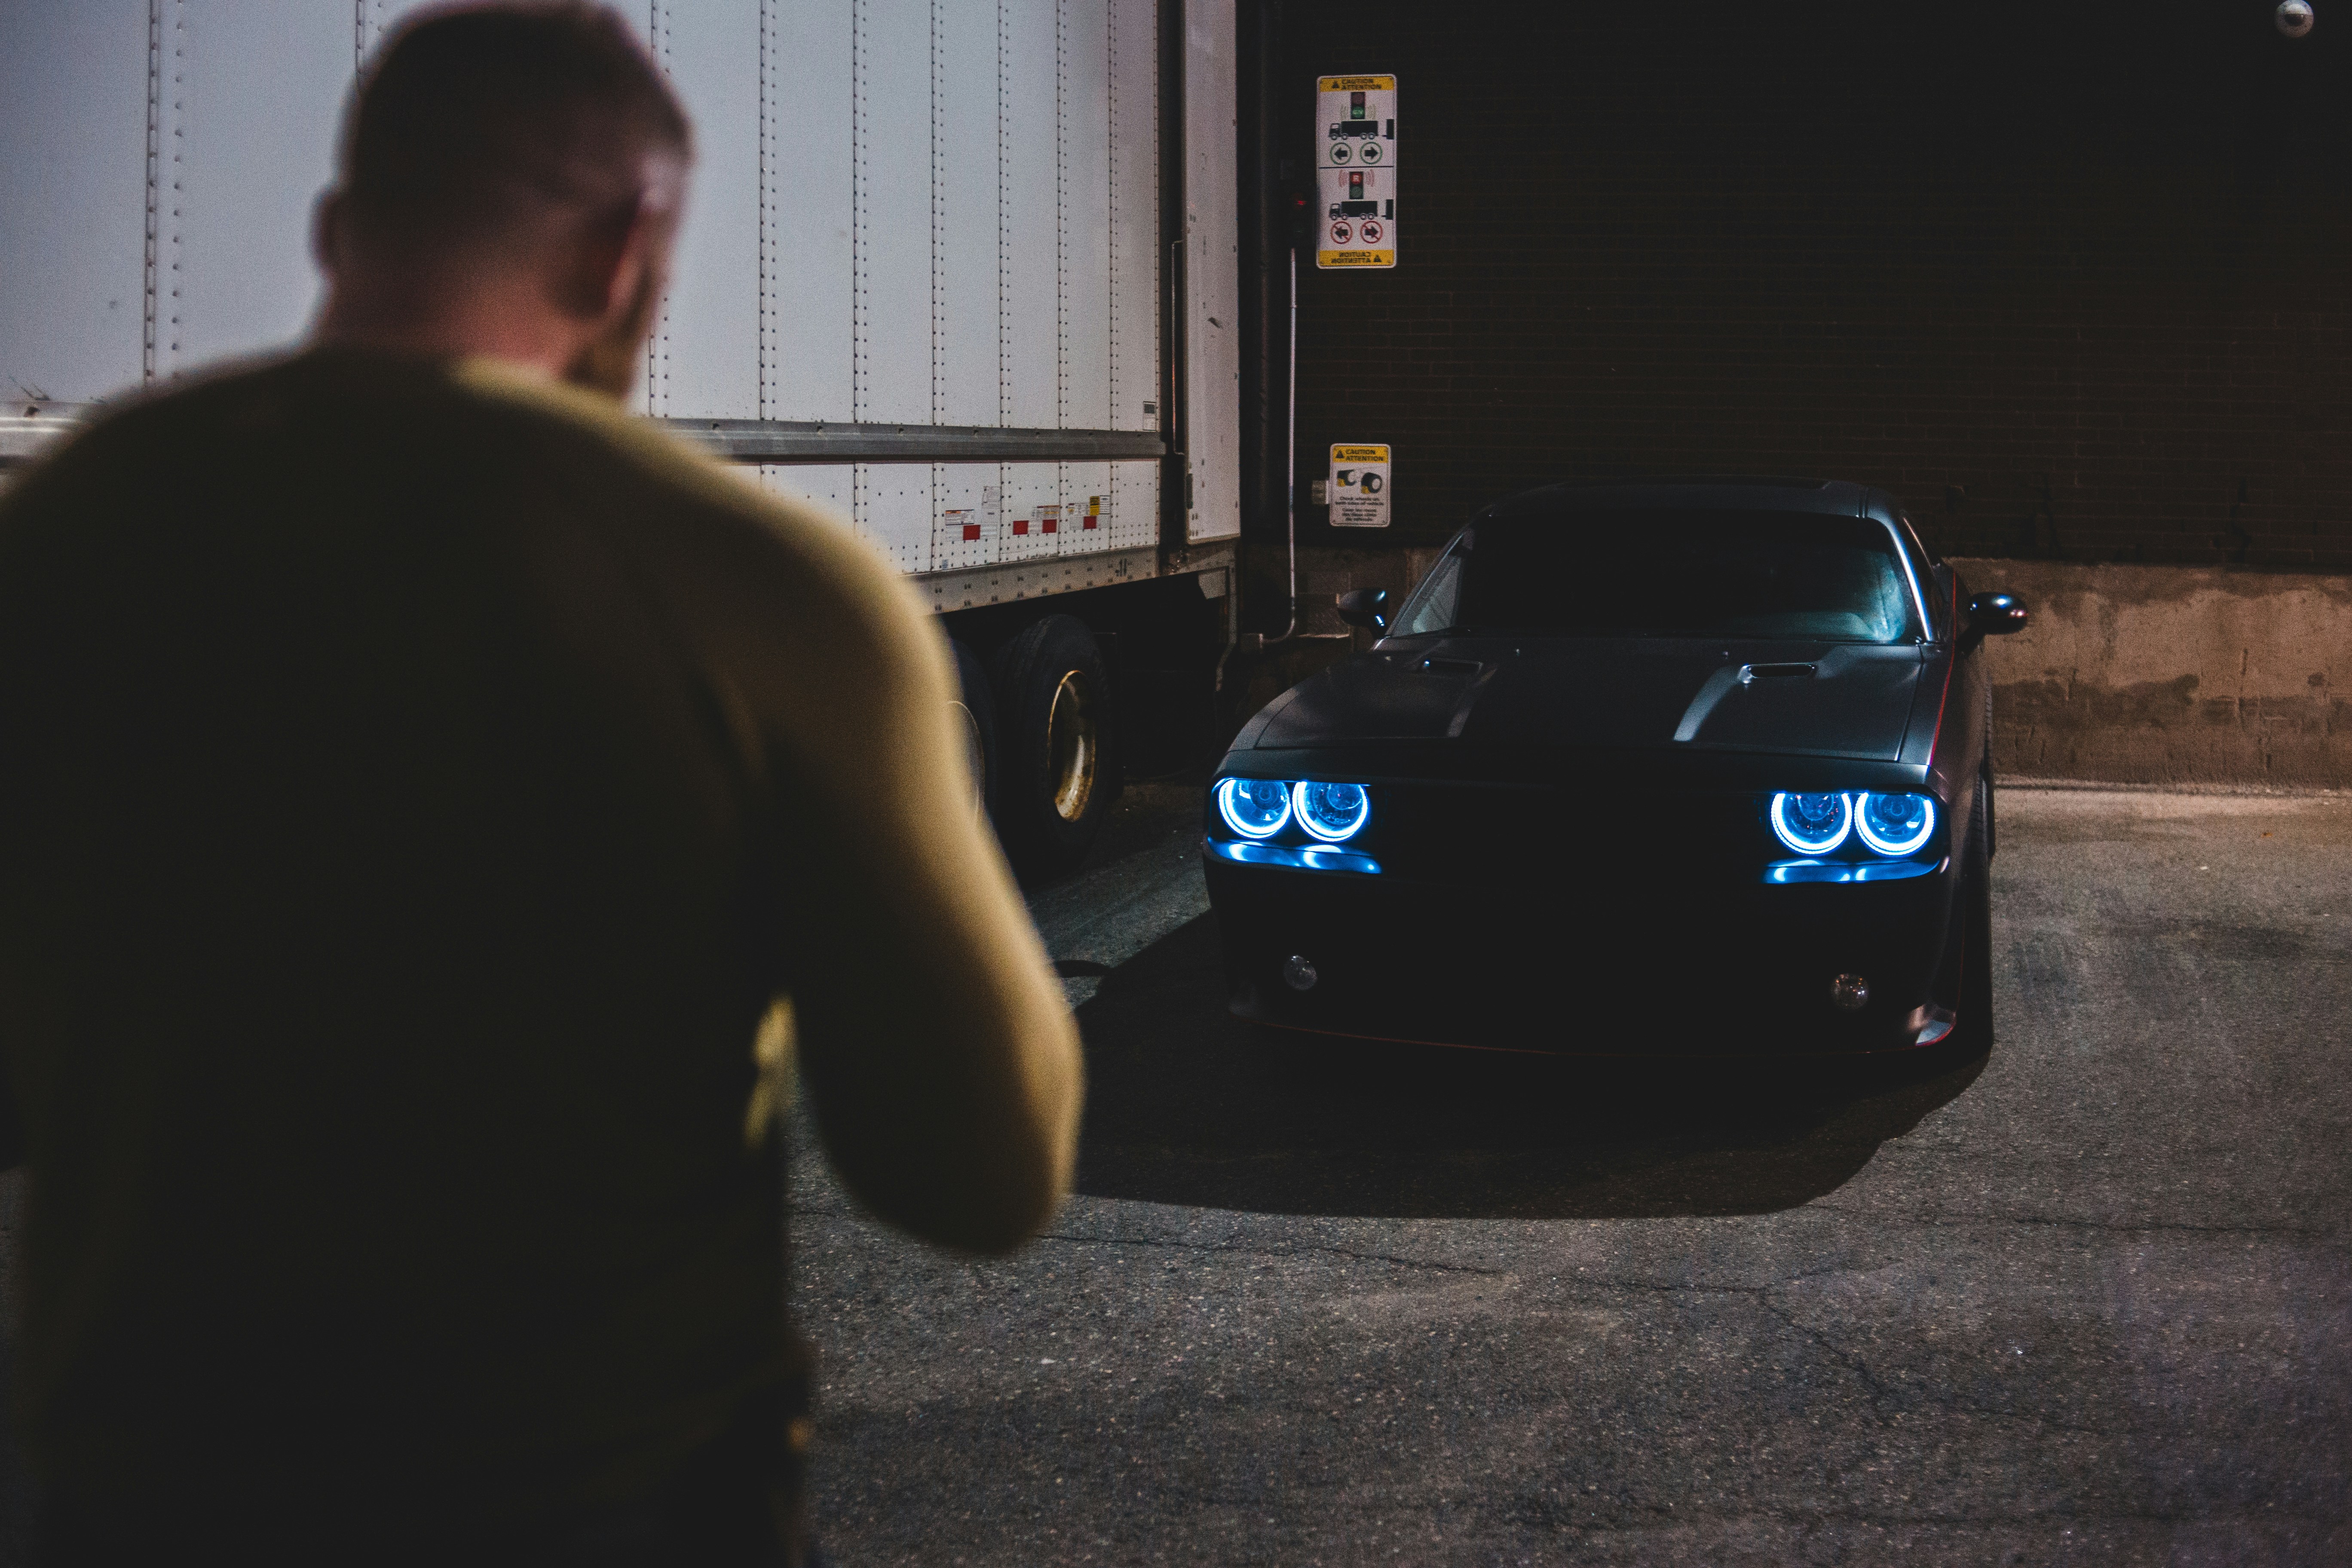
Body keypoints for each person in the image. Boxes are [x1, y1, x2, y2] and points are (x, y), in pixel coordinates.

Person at [0, 4, 1082, 1561]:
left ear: (334, 227)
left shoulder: (64, 534)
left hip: (145, 1508)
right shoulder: (765, 590)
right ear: (630, 247)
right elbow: (981, 1171)